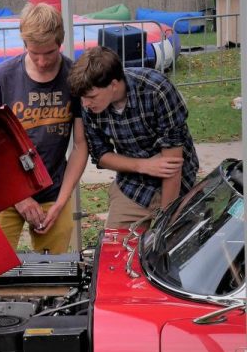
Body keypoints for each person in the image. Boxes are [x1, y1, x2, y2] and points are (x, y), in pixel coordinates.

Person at [0, 2, 88, 255]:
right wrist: (18, 197)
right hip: (5, 191)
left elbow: (81, 145)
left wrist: (62, 202)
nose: (41, 61)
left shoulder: (74, 77)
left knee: (54, 270)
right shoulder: (1, 77)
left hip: (54, 191)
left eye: (49, 53)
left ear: (60, 43)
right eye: (33, 52)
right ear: (24, 43)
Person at [68, 46, 199, 229]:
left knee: (173, 248)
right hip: (133, 187)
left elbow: (172, 165)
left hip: (177, 185)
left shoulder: (157, 90)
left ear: (114, 85)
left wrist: (164, 221)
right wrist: (143, 166)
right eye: (82, 98)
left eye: (91, 97)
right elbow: (101, 156)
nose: (85, 104)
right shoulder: (89, 104)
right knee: (116, 251)